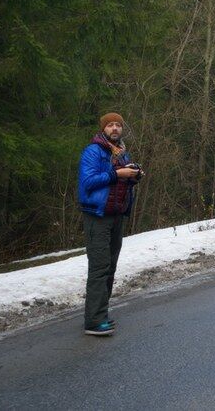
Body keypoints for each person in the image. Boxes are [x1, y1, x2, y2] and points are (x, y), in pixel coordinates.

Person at [78, 112, 142, 336]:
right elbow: (88, 183)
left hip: (116, 215)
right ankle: (93, 322)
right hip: (97, 216)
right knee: (99, 267)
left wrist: (133, 176)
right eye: (110, 125)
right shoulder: (93, 151)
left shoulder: (123, 153)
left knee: (111, 267)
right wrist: (117, 174)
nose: (115, 128)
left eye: (118, 125)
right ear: (103, 128)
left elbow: (120, 180)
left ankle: (101, 314)